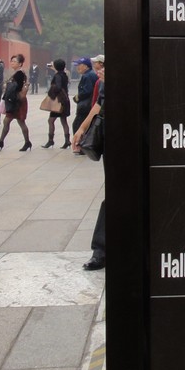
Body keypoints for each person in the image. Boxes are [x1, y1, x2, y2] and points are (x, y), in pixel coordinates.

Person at [73, 63, 105, 270]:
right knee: (113, 194)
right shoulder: (104, 81)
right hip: (116, 138)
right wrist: (82, 128)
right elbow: (99, 105)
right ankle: (101, 250)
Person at [0, 53, 31, 151]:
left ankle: (2, 142)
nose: (12, 63)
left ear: (20, 64)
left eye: (15, 61)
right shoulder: (18, 73)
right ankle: (1, 142)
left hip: (16, 102)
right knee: (11, 121)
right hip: (16, 101)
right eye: (11, 61)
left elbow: (15, 88)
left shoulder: (19, 74)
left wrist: (7, 86)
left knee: (16, 121)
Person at [41, 58, 71, 148]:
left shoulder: (57, 76)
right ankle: (67, 140)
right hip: (65, 99)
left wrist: (51, 92)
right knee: (64, 120)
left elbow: (58, 87)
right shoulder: (64, 75)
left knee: (51, 120)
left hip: (58, 101)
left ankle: (50, 140)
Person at [72, 57, 98, 154]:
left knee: (78, 125)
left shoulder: (87, 76)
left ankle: (81, 146)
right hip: (89, 104)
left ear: (86, 66)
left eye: (80, 65)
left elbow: (87, 91)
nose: (78, 67)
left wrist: (78, 97)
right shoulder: (91, 74)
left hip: (85, 105)